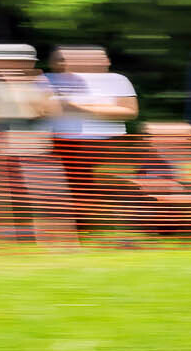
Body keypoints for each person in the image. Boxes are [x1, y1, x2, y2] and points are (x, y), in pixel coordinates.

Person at [0, 43, 72, 245]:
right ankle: (18, 237)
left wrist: (25, 96)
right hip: (6, 146)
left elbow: (50, 111)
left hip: (37, 146)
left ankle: (56, 238)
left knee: (47, 196)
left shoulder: (39, 82)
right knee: (9, 195)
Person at [45, 46, 139, 223]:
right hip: (56, 141)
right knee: (68, 184)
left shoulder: (117, 80)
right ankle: (79, 221)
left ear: (107, 61)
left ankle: (89, 220)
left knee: (88, 181)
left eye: (99, 57)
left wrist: (78, 108)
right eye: (59, 59)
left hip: (104, 142)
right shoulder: (46, 79)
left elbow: (129, 111)